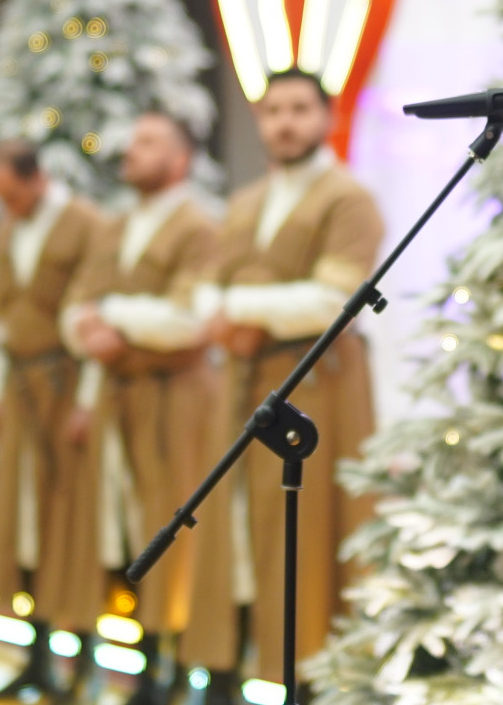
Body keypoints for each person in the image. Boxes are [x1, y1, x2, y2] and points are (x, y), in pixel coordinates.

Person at [187, 69, 384, 700]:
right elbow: (204, 290)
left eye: (300, 109)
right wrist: (228, 314)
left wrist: (244, 313)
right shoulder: (244, 204)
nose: (286, 122)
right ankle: (234, 671)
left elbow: (334, 297)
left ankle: (310, 681)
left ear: (325, 117)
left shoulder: (347, 197)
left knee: (312, 529)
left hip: (315, 386)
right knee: (233, 528)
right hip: (245, 387)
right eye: (274, 111)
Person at [43, 112, 219, 705]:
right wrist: (94, 331)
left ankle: (171, 666)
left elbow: (187, 317)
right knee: (111, 526)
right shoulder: (114, 228)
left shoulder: (199, 227)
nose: (130, 150)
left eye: (147, 142)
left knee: (171, 526)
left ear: (180, 160)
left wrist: (111, 318)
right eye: (132, 140)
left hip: (176, 398)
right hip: (114, 396)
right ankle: (129, 662)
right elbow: (74, 310)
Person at [0, 140, 100, 701]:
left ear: (37, 179)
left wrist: (88, 400)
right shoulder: (7, 230)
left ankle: (82, 663)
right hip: (19, 387)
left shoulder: (85, 225)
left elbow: (93, 309)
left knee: (72, 520)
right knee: (24, 519)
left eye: (12, 194)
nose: (7, 206)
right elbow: (1, 313)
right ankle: (36, 656)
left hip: (65, 383)